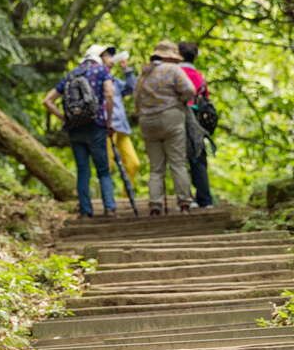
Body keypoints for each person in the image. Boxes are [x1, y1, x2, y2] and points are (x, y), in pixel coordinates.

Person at [43, 44, 118, 218]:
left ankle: (85, 211)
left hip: (75, 128)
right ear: (99, 56)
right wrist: (108, 122)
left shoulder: (71, 74)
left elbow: (47, 101)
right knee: (103, 170)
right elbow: (109, 94)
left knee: (83, 170)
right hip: (96, 125)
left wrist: (64, 118)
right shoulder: (102, 71)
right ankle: (109, 208)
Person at [133, 40, 196, 215]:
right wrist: (180, 101)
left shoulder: (144, 73)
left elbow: (136, 99)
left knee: (156, 167)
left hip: (147, 121)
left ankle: (155, 204)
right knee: (177, 163)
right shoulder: (173, 70)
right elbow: (190, 90)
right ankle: (184, 203)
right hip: (171, 118)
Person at [178, 41, 214, 207]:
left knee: (179, 159)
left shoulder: (176, 73)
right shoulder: (200, 76)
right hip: (198, 119)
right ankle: (205, 199)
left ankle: (187, 197)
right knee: (199, 157)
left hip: (180, 116)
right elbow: (206, 97)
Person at [108, 50, 141, 182]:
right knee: (108, 165)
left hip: (122, 128)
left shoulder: (114, 81)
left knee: (134, 164)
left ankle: (127, 193)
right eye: (107, 56)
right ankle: (105, 194)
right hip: (108, 128)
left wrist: (126, 69)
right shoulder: (95, 79)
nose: (111, 59)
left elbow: (132, 89)